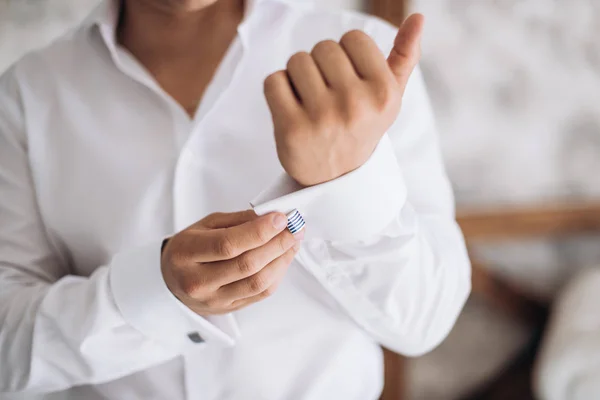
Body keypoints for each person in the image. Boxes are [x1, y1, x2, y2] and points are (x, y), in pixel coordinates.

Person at [0, 0, 471, 399]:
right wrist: (152, 295)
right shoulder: (26, 94)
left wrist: (344, 181)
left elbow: (425, 322)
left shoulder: (364, 58)